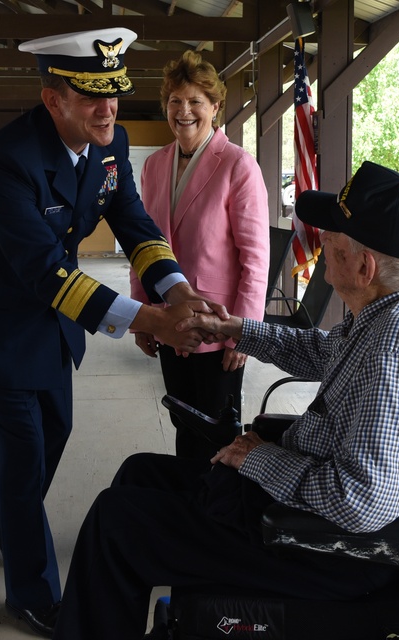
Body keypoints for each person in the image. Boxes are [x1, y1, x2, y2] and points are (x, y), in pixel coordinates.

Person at [8, 161, 399, 640]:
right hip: (309, 520)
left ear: (364, 267)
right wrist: (234, 329)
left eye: (334, 233)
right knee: (140, 473)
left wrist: (260, 458)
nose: (323, 237)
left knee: (118, 522)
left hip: (332, 550)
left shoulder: (394, 348)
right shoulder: (385, 317)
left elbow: (362, 504)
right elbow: (317, 351)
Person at [0, 28, 224, 639]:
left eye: (113, 94)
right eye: (91, 97)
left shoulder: (109, 142)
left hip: (48, 318)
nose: (108, 109)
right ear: (52, 100)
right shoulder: (5, 157)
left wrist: (177, 289)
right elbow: (44, 270)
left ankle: (1, 520)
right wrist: (150, 320)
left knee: (55, 432)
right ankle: (33, 593)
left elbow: (135, 224)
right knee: (22, 457)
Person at [131, 51, 269, 460]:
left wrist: (247, 331)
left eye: (195, 101)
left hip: (220, 327)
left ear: (214, 106)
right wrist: (141, 312)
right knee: (182, 419)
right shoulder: (154, 166)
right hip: (168, 320)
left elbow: (256, 258)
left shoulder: (238, 166)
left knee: (217, 430)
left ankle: (215, 513)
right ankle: (187, 505)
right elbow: (142, 243)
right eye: (175, 101)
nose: (184, 111)